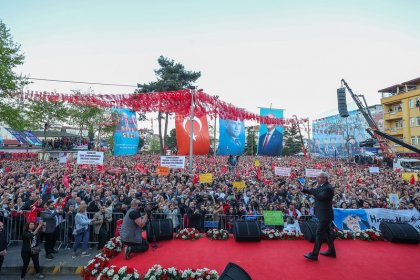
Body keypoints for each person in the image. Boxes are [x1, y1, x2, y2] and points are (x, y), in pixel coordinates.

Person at [302, 172, 336, 261]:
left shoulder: (328, 188)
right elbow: (315, 192)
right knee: (328, 234)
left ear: (325, 178)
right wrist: (303, 189)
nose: (318, 179)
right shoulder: (322, 186)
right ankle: (332, 251)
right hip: (323, 214)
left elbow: (320, 197)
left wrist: (312, 190)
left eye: (319, 177)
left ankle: (314, 254)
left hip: (325, 215)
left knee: (319, 233)